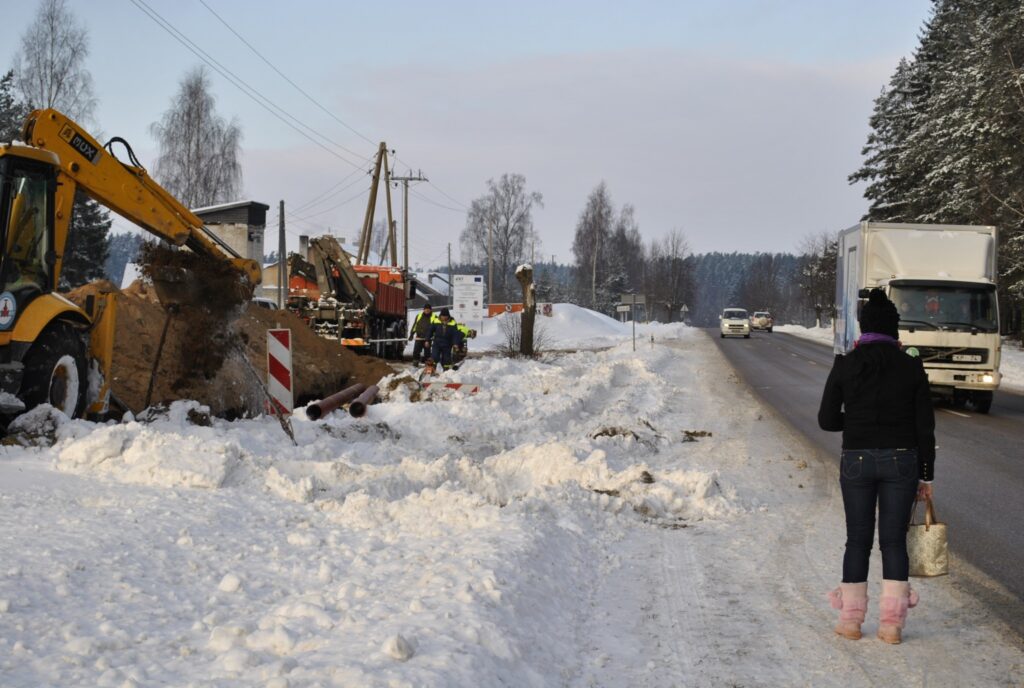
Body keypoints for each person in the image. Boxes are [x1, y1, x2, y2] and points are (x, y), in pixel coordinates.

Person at [818, 288, 935, 644]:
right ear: (894, 330)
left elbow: (825, 419)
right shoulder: (911, 365)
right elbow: (924, 426)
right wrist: (926, 474)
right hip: (902, 460)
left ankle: (851, 622)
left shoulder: (845, 363)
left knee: (857, 540)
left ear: (863, 327)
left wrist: (854, 423)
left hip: (856, 460)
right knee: (894, 542)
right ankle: (891, 625)